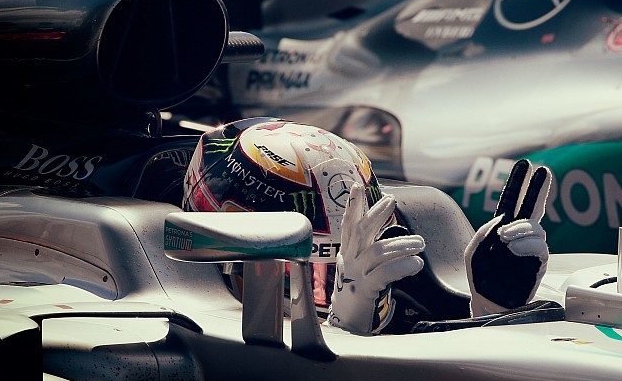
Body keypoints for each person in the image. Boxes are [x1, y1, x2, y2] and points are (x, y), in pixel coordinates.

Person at [182, 116, 551, 335]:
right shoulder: (175, 323)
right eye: (308, 277)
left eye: (330, 279)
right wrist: (348, 315)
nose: (323, 299)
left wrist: (491, 313)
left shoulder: (406, 306)